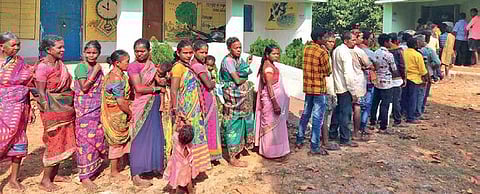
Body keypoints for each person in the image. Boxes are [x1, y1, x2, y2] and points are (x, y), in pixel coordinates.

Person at [34, 35, 76, 192]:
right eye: (59, 47)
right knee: (54, 143)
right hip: (52, 111)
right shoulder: (43, 67)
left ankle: (54, 175)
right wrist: (48, 111)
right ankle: (45, 180)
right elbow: (41, 92)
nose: (63, 50)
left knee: (63, 142)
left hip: (65, 109)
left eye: (63, 46)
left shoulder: (60, 64)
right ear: (48, 50)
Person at [127, 38, 165, 187]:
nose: (139, 54)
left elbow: (160, 81)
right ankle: (136, 173)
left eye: (142, 51)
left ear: (149, 51)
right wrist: (157, 89)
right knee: (139, 136)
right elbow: (139, 88)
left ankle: (153, 166)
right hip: (141, 104)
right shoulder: (133, 67)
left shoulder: (152, 66)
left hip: (154, 103)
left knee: (155, 135)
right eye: (136, 51)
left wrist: (161, 82)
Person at [0, 32, 34, 192]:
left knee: (19, 141)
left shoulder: (20, 63)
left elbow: (27, 84)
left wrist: (31, 106)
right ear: (2, 46)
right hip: (2, 110)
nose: (17, 48)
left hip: (19, 110)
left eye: (18, 44)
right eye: (13, 45)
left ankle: (14, 178)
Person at [170, 40, 210, 177]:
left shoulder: (188, 66)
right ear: (178, 53)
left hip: (195, 108)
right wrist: (177, 111)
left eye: (190, 53)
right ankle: (184, 172)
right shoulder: (178, 68)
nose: (188, 55)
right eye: (185, 53)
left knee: (196, 137)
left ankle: (195, 168)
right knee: (185, 139)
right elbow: (174, 91)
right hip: (185, 110)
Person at [73, 40, 107, 190]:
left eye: (94, 53)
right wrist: (96, 70)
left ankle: (94, 167)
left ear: (98, 53)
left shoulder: (97, 68)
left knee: (97, 136)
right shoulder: (81, 67)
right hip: (84, 110)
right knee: (85, 141)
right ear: (84, 53)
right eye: (88, 53)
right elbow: (84, 87)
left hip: (97, 108)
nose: (91, 55)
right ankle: (85, 176)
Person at [219, 37, 255, 167]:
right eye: (236, 48)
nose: (239, 50)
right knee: (233, 122)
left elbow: (241, 74)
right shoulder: (228, 61)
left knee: (241, 121)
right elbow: (238, 80)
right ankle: (232, 157)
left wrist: (246, 66)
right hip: (233, 97)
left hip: (241, 97)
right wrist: (245, 74)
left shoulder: (237, 60)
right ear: (229, 48)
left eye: (240, 47)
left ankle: (239, 148)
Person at [296, 28, 332, 155]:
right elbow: (328, 72)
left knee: (306, 114)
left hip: (308, 87)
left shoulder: (306, 48)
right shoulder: (323, 52)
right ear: (320, 38)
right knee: (317, 118)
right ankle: (315, 145)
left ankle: (299, 139)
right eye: (325, 37)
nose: (327, 39)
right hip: (319, 88)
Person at [101, 50, 131, 182]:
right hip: (115, 113)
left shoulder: (119, 75)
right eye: (126, 62)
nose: (128, 64)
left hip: (119, 112)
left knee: (122, 140)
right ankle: (114, 171)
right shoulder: (116, 79)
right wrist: (130, 112)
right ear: (117, 63)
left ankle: (122, 163)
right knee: (116, 141)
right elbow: (120, 100)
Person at [255, 44, 290, 159]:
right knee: (270, 127)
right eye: (274, 54)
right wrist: (275, 103)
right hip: (271, 101)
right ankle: (270, 152)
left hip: (275, 100)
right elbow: (269, 86)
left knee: (277, 128)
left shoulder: (271, 65)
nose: (276, 56)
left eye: (278, 54)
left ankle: (278, 151)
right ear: (267, 55)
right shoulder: (268, 68)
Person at [189, 40, 222, 162]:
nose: (204, 55)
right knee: (209, 126)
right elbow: (208, 84)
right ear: (194, 52)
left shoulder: (196, 64)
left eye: (206, 52)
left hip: (205, 98)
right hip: (205, 99)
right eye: (201, 52)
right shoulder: (197, 66)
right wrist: (213, 83)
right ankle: (209, 154)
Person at [329, 31, 359, 147]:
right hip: (345, 87)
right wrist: (353, 91)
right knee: (345, 114)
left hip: (338, 85)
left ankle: (332, 133)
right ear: (346, 41)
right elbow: (347, 73)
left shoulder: (337, 50)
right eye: (352, 40)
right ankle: (345, 138)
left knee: (338, 111)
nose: (354, 42)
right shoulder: (345, 52)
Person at [370, 34, 398, 134]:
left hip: (377, 80)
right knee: (385, 104)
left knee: (375, 102)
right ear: (386, 42)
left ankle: (372, 122)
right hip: (387, 81)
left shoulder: (375, 52)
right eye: (390, 41)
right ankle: (383, 125)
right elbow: (394, 69)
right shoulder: (389, 55)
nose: (391, 43)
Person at [319, 31, 340, 151]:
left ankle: (324, 139)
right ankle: (325, 141)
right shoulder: (324, 54)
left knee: (326, 115)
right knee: (324, 116)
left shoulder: (328, 53)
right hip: (326, 89)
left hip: (330, 88)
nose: (331, 44)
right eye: (329, 41)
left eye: (333, 41)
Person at [164, 114, 195, 194]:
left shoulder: (176, 140)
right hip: (186, 167)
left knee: (175, 181)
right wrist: (186, 119)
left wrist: (176, 122)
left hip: (177, 167)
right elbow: (191, 129)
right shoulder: (190, 144)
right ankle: (191, 192)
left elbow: (173, 131)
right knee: (188, 181)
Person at [351, 31, 371, 139]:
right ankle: (356, 132)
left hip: (344, 83)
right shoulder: (360, 52)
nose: (362, 40)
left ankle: (338, 132)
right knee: (358, 107)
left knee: (344, 108)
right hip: (358, 83)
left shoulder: (340, 50)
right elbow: (370, 65)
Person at [356, 31, 377, 136]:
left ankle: (356, 126)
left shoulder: (350, 50)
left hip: (355, 82)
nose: (371, 41)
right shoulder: (368, 52)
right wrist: (371, 67)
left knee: (356, 105)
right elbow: (376, 64)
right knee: (366, 105)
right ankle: (362, 126)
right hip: (367, 81)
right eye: (370, 39)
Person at [403, 37, 428, 124]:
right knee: (413, 98)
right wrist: (426, 78)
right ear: (415, 45)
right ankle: (411, 117)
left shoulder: (403, 53)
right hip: (415, 79)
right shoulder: (417, 55)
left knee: (404, 97)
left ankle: (403, 114)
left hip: (405, 78)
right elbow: (422, 70)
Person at [418, 34, 441, 116]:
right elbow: (438, 62)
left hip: (414, 75)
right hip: (427, 74)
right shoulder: (430, 50)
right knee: (424, 94)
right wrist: (432, 66)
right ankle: (420, 111)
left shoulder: (415, 50)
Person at [388, 33, 407, 127]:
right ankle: (397, 119)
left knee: (386, 99)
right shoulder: (399, 51)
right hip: (396, 78)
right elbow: (402, 66)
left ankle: (382, 119)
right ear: (396, 41)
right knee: (396, 100)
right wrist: (404, 78)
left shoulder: (384, 51)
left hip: (385, 78)